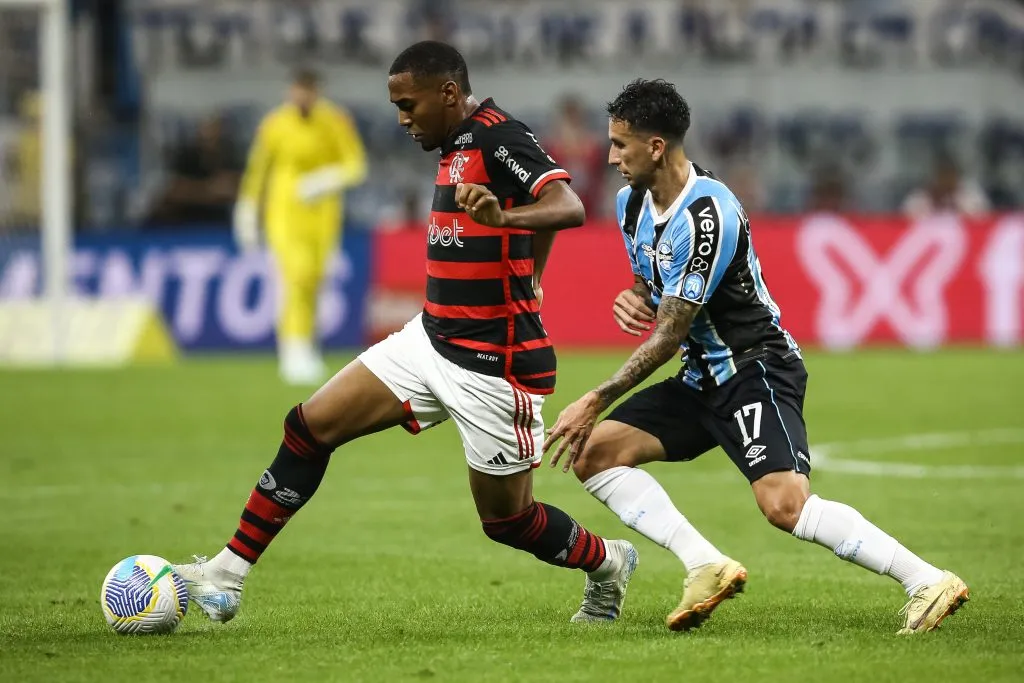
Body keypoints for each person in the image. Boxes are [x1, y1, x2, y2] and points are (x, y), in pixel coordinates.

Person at [174, 41, 637, 625]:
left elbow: (566, 204)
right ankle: (227, 573)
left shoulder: (498, 135)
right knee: (309, 428)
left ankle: (610, 563)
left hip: (493, 365)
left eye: (409, 104)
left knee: (508, 522)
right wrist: (531, 268)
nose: (401, 118)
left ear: (449, 93)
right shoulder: (454, 142)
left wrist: (504, 220)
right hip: (428, 339)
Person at [543, 79, 969, 635]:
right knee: (593, 454)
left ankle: (927, 580)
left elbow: (671, 332)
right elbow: (657, 289)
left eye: (621, 144)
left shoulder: (708, 214)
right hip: (700, 376)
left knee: (784, 505)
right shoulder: (631, 206)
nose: (610, 156)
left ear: (656, 147)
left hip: (753, 367)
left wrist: (596, 397)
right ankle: (705, 564)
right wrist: (637, 296)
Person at [233, 68, 368, 385]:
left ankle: (306, 348)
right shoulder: (275, 124)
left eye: (308, 90)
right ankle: (292, 350)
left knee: (314, 280)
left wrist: (327, 179)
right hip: (284, 213)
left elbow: (356, 165)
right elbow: (258, 170)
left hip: (322, 216)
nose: (302, 97)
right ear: (290, 90)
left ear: (317, 91)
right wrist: (248, 208)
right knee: (294, 276)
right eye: (298, 90)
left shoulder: (335, 121)